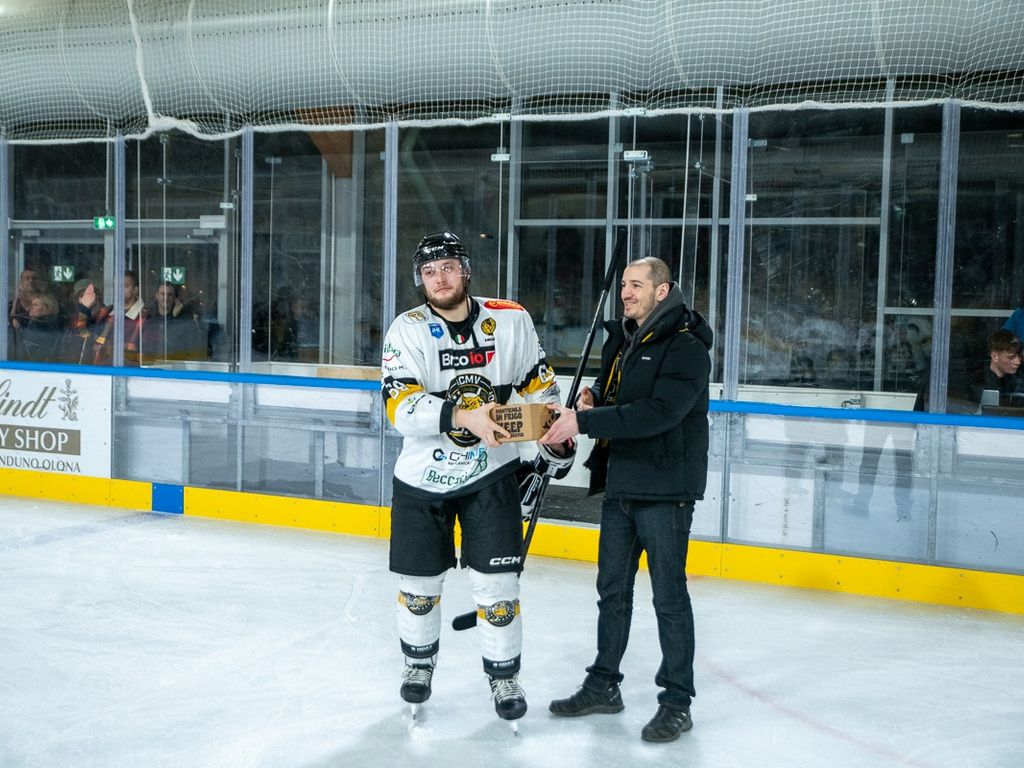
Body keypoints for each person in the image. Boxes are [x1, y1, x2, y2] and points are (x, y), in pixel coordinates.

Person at [380, 231, 571, 723]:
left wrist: (554, 438)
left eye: (448, 267)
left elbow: (539, 389)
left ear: (465, 270)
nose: (439, 278)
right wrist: (466, 416)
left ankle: (504, 676)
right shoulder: (407, 329)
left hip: (492, 473)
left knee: (498, 586)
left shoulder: (511, 319)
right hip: (422, 479)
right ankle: (418, 665)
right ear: (420, 281)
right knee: (419, 585)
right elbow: (400, 407)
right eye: (429, 272)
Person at [540, 256, 712, 744]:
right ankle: (603, 686)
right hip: (621, 483)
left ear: (663, 291)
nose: (626, 293)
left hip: (665, 489)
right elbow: (615, 389)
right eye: (623, 286)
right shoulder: (624, 338)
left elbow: (658, 413)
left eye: (636, 285)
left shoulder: (687, 347)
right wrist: (594, 396)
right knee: (612, 591)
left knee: (669, 598)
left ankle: (677, 702)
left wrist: (583, 422)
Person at [92, 270, 148, 365]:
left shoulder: (146, 316)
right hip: (104, 370)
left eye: (125, 286)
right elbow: (95, 345)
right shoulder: (106, 312)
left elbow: (147, 353)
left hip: (133, 371)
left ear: (135, 290)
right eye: (117, 286)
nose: (120, 290)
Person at [972, 330, 1022, 408]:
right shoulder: (978, 384)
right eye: (1011, 357)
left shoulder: (1018, 381)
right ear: (995, 357)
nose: (1018, 362)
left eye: (1019, 356)